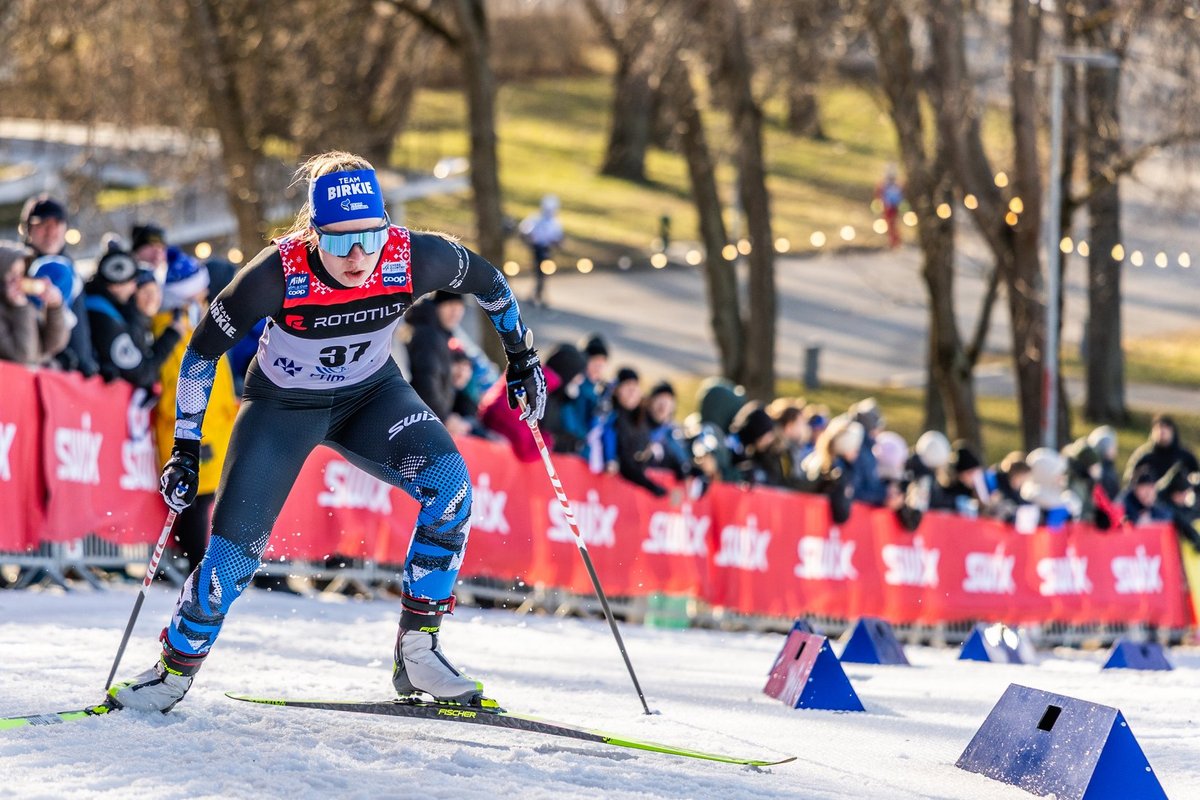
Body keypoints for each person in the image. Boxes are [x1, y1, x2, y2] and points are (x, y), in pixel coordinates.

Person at [108, 151, 546, 713]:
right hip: (283, 407)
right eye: (339, 243)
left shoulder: (414, 256)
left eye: (369, 236)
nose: (358, 255)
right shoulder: (275, 274)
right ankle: (172, 670)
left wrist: (523, 357)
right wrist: (186, 449)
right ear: (313, 236)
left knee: (452, 486)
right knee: (233, 555)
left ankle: (418, 651)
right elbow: (199, 355)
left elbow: (492, 283)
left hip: (371, 396)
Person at [151, 247, 239, 574]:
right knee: (194, 500)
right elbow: (174, 383)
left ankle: (199, 565)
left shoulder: (201, 321)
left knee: (207, 499)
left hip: (214, 425)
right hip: (190, 427)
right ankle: (194, 568)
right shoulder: (172, 327)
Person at [20, 194, 99, 377]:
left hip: (76, 380)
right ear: (28, 229)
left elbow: (81, 323)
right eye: (42, 225)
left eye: (57, 224)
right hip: (40, 376)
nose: (51, 232)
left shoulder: (72, 270)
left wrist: (90, 358)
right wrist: (57, 357)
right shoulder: (16, 270)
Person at [84, 248, 183, 390]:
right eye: (132, 283)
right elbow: (141, 373)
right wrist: (170, 337)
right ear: (116, 281)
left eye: (156, 291)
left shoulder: (106, 310)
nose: (132, 289)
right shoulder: (103, 315)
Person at [0, 242, 67, 365]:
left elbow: (53, 345)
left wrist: (54, 308)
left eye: (20, 273)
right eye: (11, 273)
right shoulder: (18, 307)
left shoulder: (25, 301)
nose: (17, 280)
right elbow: (24, 356)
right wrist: (20, 309)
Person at [404, 290, 466, 423]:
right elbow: (425, 380)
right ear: (437, 306)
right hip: (426, 420)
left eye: (459, 306)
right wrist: (444, 419)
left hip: (433, 417)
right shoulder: (429, 336)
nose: (455, 312)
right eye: (449, 305)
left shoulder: (443, 335)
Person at [1123, 414, 1200, 485]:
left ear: (1172, 431)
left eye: (1165, 428)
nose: (1161, 431)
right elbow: (1129, 478)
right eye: (1158, 428)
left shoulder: (1185, 457)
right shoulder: (1143, 455)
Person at [518, 194, 564, 307]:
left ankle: (538, 294)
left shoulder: (555, 222)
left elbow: (558, 238)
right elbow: (524, 231)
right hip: (537, 249)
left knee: (543, 273)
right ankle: (537, 295)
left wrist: (556, 244)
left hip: (547, 250)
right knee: (539, 273)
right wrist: (529, 241)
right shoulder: (535, 219)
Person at [875, 166, 904, 249]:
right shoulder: (884, 185)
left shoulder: (897, 185)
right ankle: (892, 242)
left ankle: (895, 242)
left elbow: (900, 196)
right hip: (887, 207)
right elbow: (879, 194)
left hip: (894, 207)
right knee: (889, 225)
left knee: (893, 225)